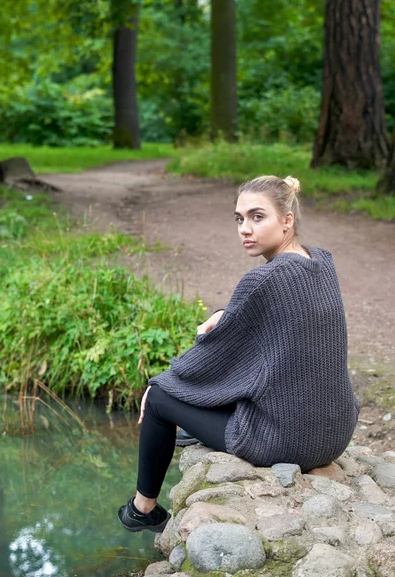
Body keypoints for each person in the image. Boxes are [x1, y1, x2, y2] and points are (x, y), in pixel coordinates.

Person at [118, 175, 359, 533]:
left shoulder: (262, 280)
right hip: (337, 432)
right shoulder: (322, 261)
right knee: (243, 380)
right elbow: (258, 325)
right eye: (239, 218)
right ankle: (186, 433)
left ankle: (142, 509)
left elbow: (208, 359)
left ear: (287, 221)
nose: (245, 229)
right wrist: (224, 313)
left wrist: (160, 383)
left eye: (257, 217)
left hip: (285, 441)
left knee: (159, 397)